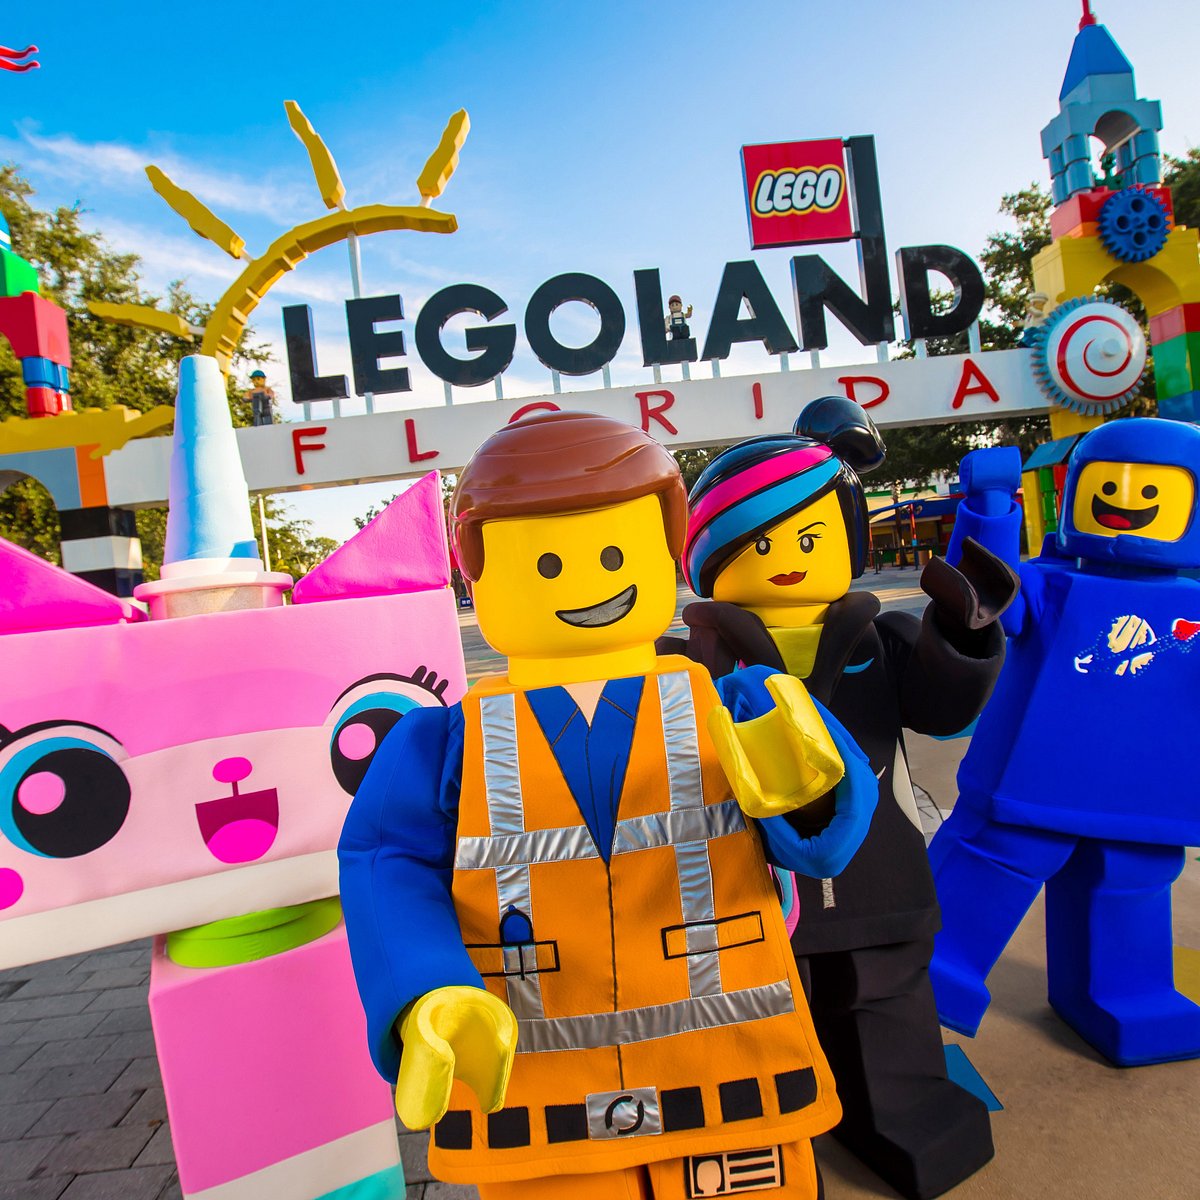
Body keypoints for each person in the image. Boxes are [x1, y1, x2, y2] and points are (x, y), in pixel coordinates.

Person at [339, 410, 878, 1199]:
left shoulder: (741, 701)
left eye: (616, 553)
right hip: (534, 1093)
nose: (589, 583)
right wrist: (424, 986)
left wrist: (809, 790)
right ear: (474, 573)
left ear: (665, 553)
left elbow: (822, 843)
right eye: (547, 563)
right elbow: (388, 866)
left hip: (729, 1074)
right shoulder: (441, 744)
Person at [661, 397, 1020, 1200]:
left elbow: (939, 709)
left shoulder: (880, 638)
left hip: (878, 869)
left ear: (851, 542)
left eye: (812, 536)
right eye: (757, 542)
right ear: (711, 559)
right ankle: (764, 1124)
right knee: (760, 1008)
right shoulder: (687, 663)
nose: (788, 557)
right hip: (750, 885)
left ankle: (903, 1106)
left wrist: (960, 640)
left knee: (884, 995)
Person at [930, 417, 1200, 1068]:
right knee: (996, 863)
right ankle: (934, 962)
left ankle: (1129, 993)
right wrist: (989, 509)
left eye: (1151, 489)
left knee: (1128, 881)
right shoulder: (1051, 583)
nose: (1127, 500)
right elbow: (983, 597)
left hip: (1143, 795)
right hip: (1034, 782)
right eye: (1111, 484)